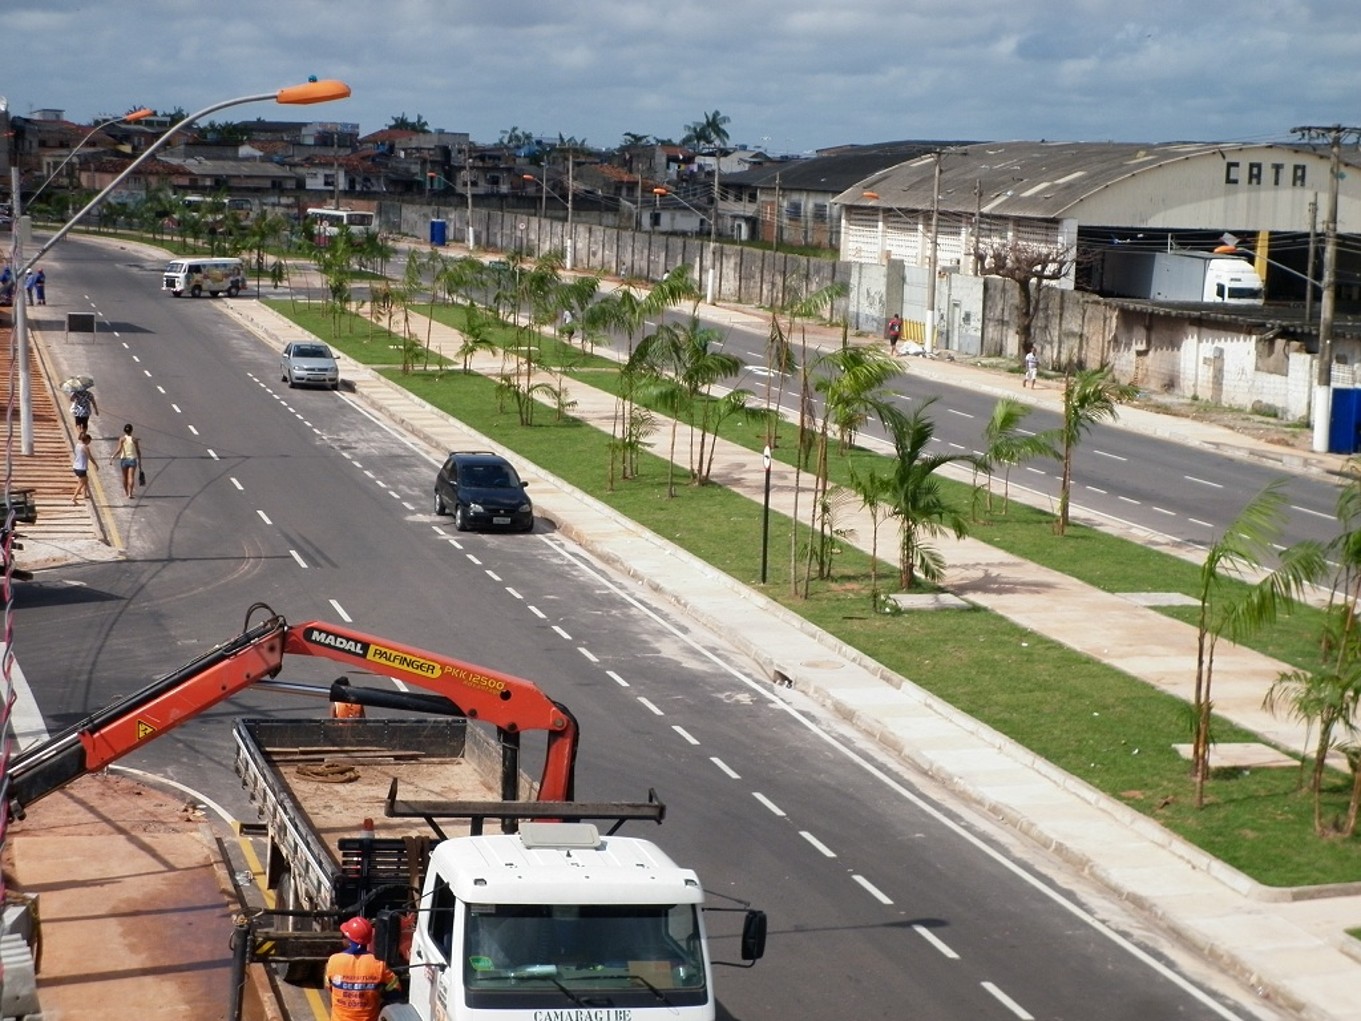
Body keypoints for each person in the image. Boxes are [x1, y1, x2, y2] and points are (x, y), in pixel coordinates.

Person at [325, 916, 400, 1021]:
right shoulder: (379, 964)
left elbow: (329, 988)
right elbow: (395, 988)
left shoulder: (334, 961)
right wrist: (380, 997)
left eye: (344, 935)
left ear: (349, 940)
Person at [110, 423, 142, 499]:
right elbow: (138, 451)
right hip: (132, 460)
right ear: (132, 430)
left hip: (124, 459)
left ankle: (126, 492)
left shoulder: (122, 439)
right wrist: (140, 461)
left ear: (124, 431)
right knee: (131, 477)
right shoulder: (134, 440)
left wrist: (112, 457)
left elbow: (119, 449)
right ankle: (130, 493)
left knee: (124, 476)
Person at [71, 432, 96, 504]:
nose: (89, 443)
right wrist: (95, 464)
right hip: (81, 468)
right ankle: (74, 497)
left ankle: (85, 494)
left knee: (85, 480)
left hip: (76, 466)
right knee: (81, 483)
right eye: (89, 441)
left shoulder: (77, 445)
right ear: (86, 440)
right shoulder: (85, 447)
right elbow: (90, 457)